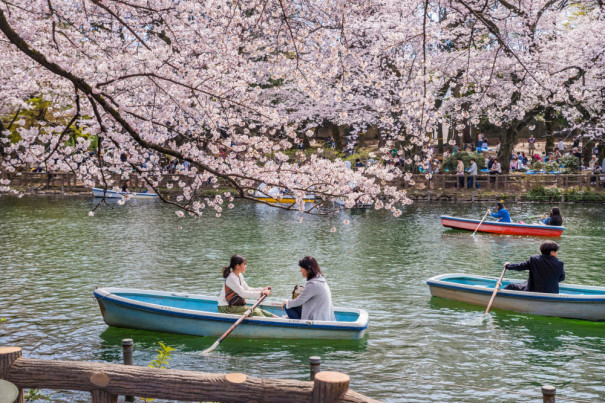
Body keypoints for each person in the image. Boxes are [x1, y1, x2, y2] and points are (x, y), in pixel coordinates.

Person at [281, 256, 335, 321]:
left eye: (302, 268)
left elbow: (298, 301)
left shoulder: (313, 284)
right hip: (324, 316)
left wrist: (286, 302)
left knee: (287, 306)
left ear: (308, 269)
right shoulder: (320, 279)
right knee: (290, 305)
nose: (300, 270)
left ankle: (299, 326)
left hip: (316, 319)